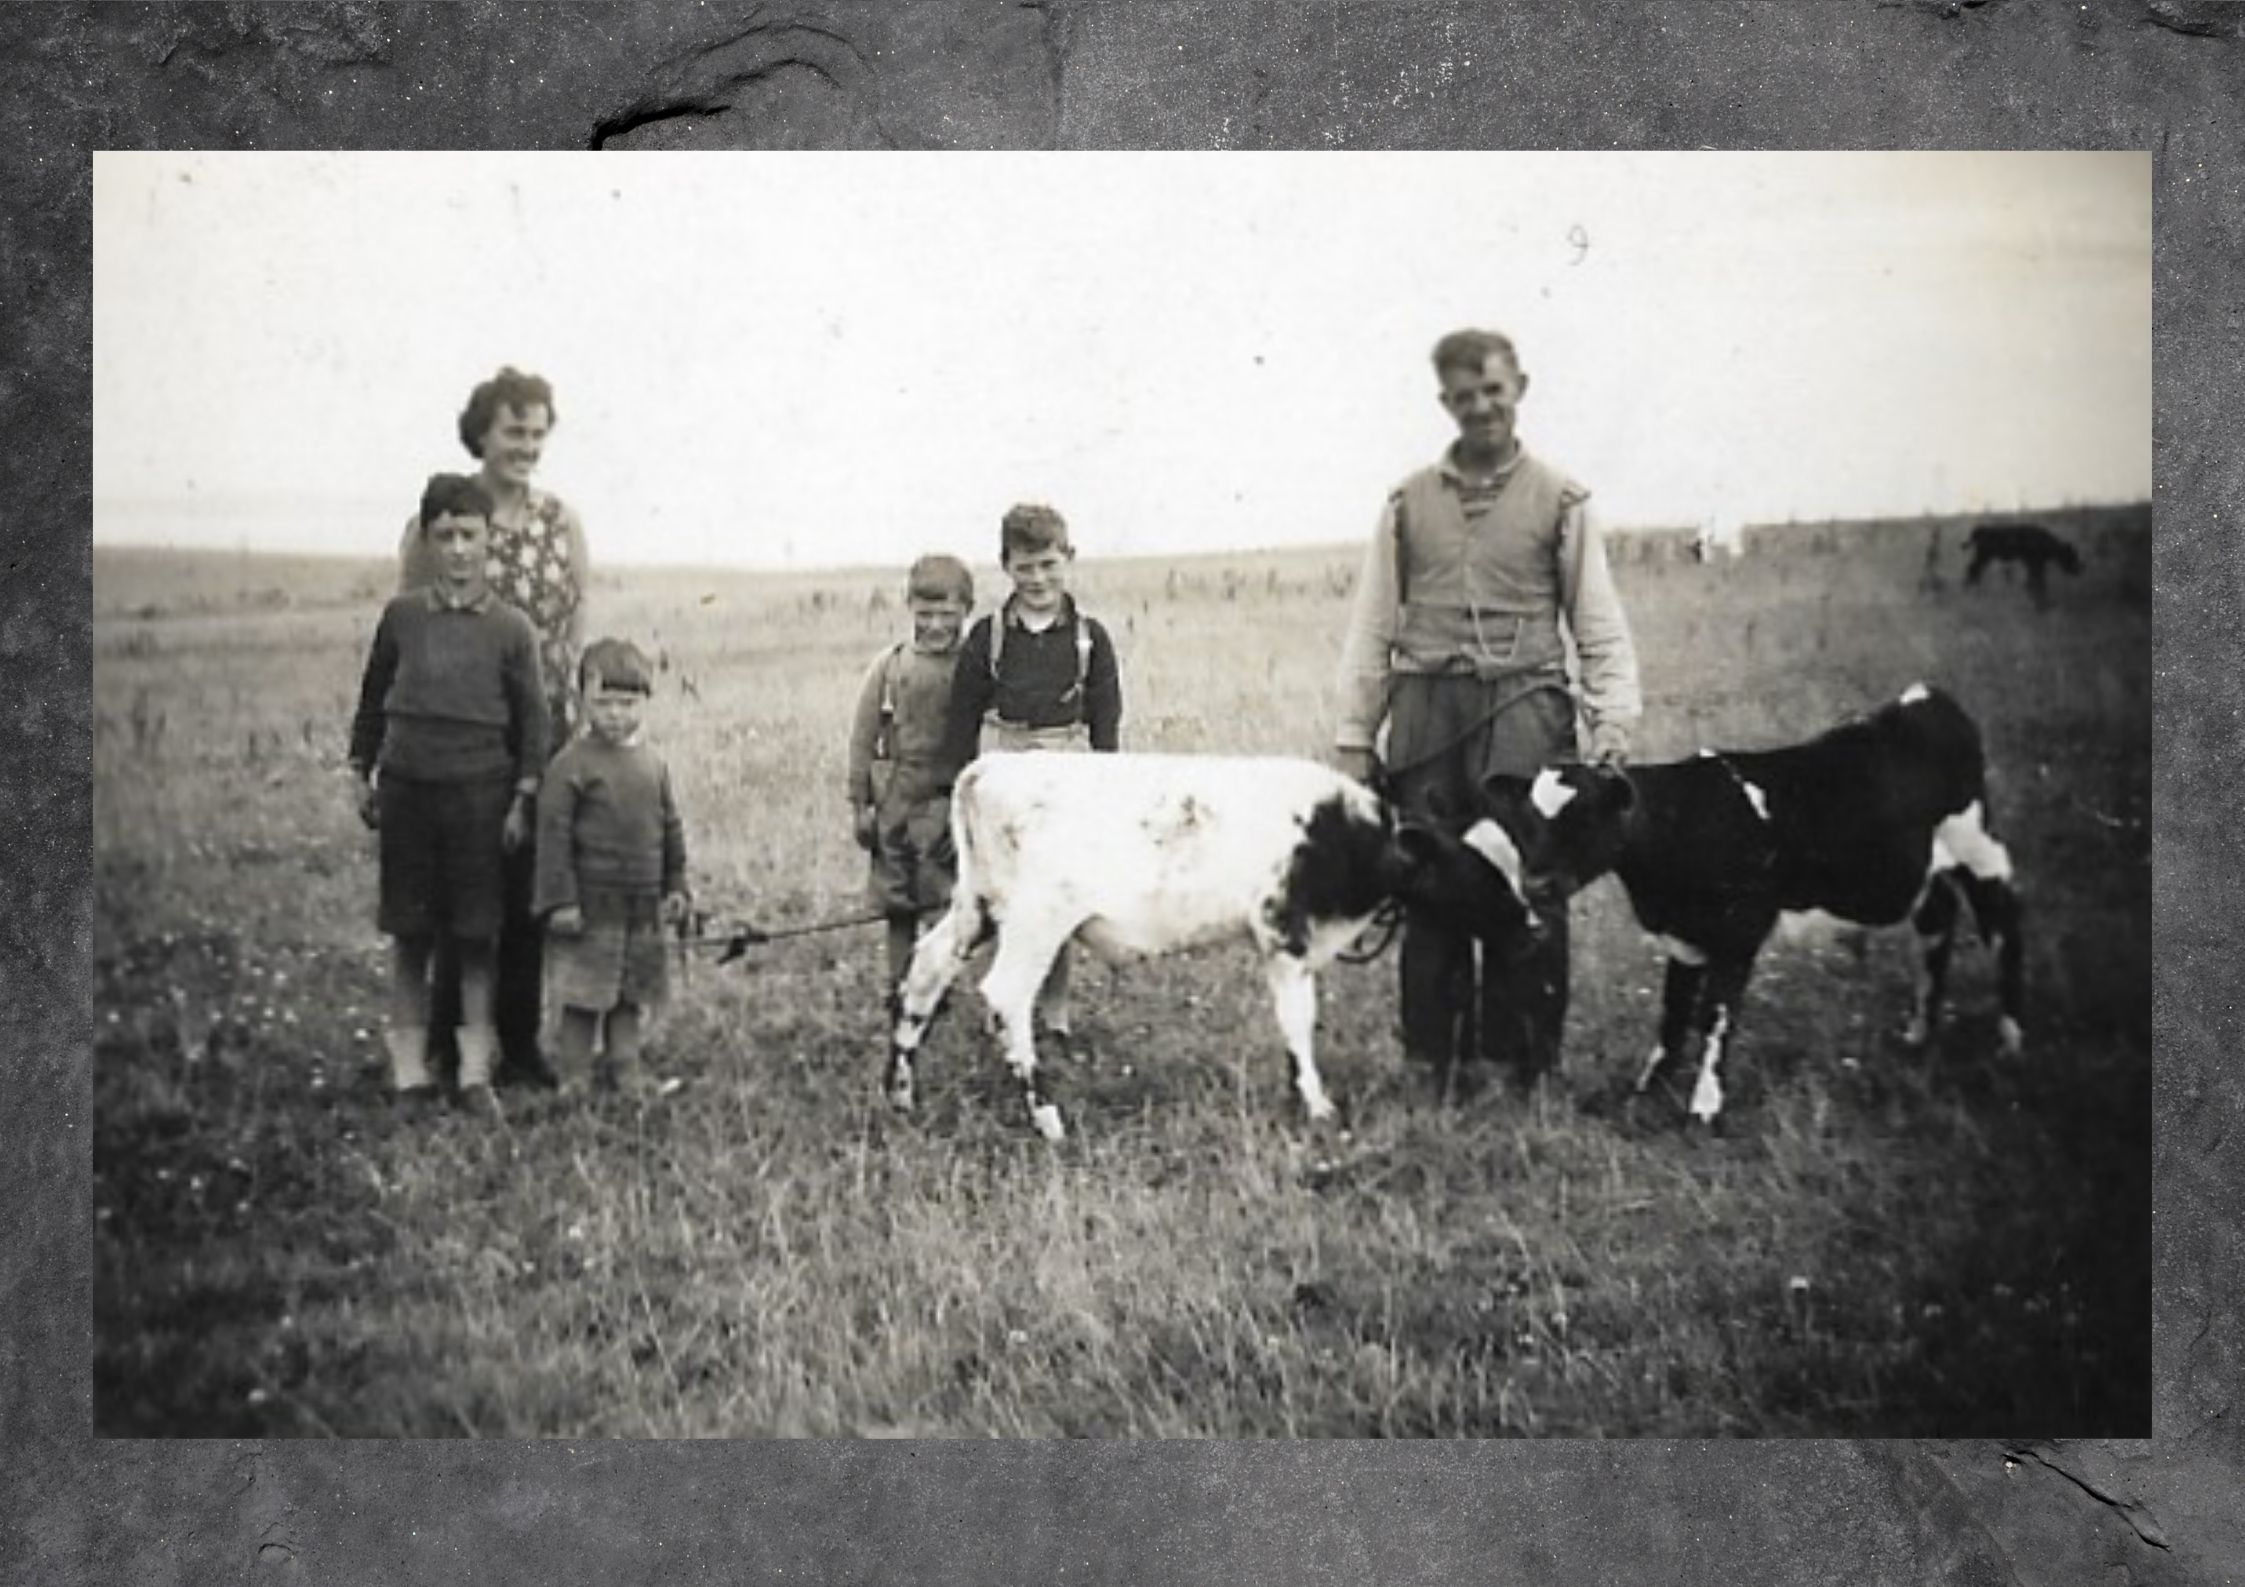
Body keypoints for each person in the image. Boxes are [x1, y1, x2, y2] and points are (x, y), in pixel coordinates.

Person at [1332, 327, 1641, 1095]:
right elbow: (1373, 622)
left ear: (1519, 387)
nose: (1480, 408)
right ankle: (1433, 1063)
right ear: (1445, 402)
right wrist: (1352, 734)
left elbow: (1595, 619)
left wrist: (1612, 720)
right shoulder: (1406, 503)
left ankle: (1519, 1066)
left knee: (1528, 888)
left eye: (1493, 391)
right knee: (1429, 883)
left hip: (1525, 713)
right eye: (1464, 396)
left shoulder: (1562, 500)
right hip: (1427, 718)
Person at [399, 366, 590, 1089]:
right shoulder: (446, 520)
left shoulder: (559, 519)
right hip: (465, 730)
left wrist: (571, 721)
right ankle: (451, 1046)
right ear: (482, 431)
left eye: (539, 433)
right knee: (463, 889)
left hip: (544, 727)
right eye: (515, 431)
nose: (528, 446)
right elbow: (414, 623)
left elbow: (575, 617)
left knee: (528, 890)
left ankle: (520, 1042)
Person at [350, 473, 549, 1111]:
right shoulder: (402, 617)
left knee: (476, 937)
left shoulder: (512, 629)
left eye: (470, 534)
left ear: (490, 541)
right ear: (428, 541)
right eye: (446, 536)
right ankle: (409, 1073)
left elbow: (534, 722)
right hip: (408, 793)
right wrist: (360, 771)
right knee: (410, 935)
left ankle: (472, 1075)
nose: (459, 548)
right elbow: (373, 698)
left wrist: (522, 797)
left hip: (481, 800)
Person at [943, 503, 1123, 1042]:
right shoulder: (988, 637)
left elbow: (1107, 725)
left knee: (1056, 900)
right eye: (1025, 567)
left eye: (1048, 563)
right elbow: (961, 723)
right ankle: (1003, 1009)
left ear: (1068, 558)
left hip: (1066, 777)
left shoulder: (1091, 638)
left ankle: (1056, 1015)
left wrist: (1105, 795)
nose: (1038, 578)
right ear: (1006, 567)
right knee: (1001, 897)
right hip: (1004, 771)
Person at [533, 639, 691, 1099]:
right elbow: (553, 835)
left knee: (629, 993)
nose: (616, 714)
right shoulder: (570, 765)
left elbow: (670, 827)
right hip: (589, 905)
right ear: (582, 700)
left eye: (628, 703)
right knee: (584, 995)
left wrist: (676, 884)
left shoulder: (653, 764)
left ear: (645, 702)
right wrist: (560, 901)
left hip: (640, 905)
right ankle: (575, 1077)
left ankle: (626, 1070)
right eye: (604, 703)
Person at [847, 554, 976, 992]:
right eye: (926, 614)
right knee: (897, 903)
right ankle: (898, 987)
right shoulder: (889, 668)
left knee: (945, 901)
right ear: (909, 608)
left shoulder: (972, 668)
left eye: (947, 614)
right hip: (895, 802)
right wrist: (860, 805)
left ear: (967, 610)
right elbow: (863, 740)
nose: (936, 625)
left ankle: (935, 990)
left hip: (948, 801)